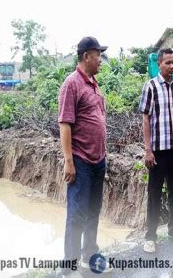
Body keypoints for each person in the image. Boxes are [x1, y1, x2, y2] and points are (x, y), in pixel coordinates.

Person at [57, 36, 108, 273]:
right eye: (98, 54)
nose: (101, 59)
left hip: (98, 160)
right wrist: (69, 161)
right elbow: (65, 124)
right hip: (80, 161)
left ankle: (90, 254)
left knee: (93, 210)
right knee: (76, 214)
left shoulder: (94, 84)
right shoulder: (72, 84)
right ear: (87, 56)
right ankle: (69, 266)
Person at [139, 48, 173, 253]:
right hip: (158, 151)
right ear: (159, 64)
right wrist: (148, 150)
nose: (172, 66)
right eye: (168, 63)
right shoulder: (150, 87)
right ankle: (150, 236)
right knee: (154, 192)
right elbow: (145, 119)